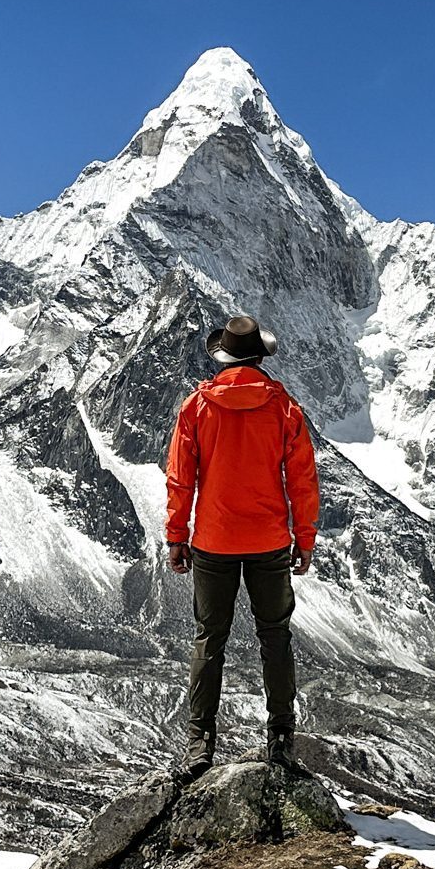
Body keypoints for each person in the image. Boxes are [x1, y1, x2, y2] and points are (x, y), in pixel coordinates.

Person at [163, 314, 320, 780]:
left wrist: (177, 536)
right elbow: (303, 481)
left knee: (210, 639)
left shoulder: (196, 407)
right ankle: (280, 739)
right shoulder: (284, 409)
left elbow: (180, 479)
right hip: (269, 540)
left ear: (224, 357)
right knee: (275, 638)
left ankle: (199, 744)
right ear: (259, 356)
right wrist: (305, 538)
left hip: (213, 541)